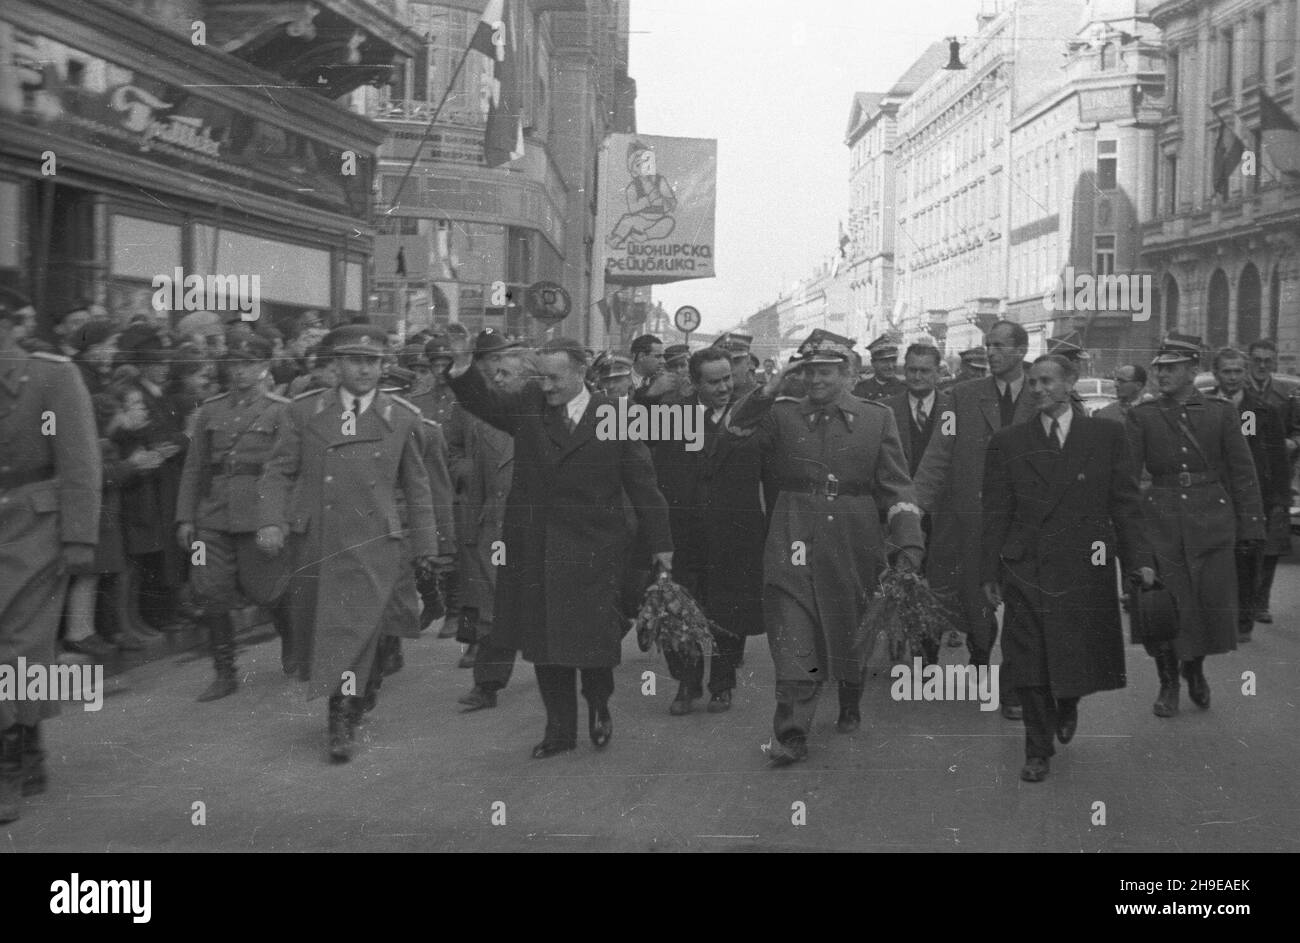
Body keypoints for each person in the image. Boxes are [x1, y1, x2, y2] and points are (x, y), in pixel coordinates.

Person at [447, 337, 673, 759]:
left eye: (554, 378)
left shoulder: (616, 415)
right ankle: (559, 731)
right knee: (546, 643)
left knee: (593, 641)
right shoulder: (530, 406)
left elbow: (643, 484)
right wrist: (462, 371)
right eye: (541, 377)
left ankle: (599, 704)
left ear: (579, 374)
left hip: (596, 549)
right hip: (536, 547)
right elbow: (485, 404)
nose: (546, 386)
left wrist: (662, 545)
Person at [728, 333, 924, 766]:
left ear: (849, 374)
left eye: (826, 371)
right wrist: (772, 387)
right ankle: (791, 733)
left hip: (853, 536)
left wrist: (908, 540)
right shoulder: (781, 416)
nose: (816, 379)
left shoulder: (878, 419)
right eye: (810, 370)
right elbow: (735, 431)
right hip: (791, 529)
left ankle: (850, 694)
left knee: (848, 624)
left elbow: (897, 484)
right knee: (792, 631)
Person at [257, 325, 441, 762]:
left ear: (383, 366)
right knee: (335, 630)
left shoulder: (401, 417)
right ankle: (350, 702)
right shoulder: (304, 413)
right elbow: (279, 471)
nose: (364, 369)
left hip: (377, 542)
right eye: (355, 360)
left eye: (373, 361)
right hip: (319, 539)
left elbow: (417, 488)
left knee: (360, 629)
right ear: (336, 365)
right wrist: (270, 520)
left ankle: (342, 717)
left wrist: (428, 547)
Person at [982, 354, 1154, 783]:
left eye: (1047, 382)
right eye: (1033, 383)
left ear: (1071, 382)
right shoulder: (1009, 441)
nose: (1039, 390)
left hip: (1086, 562)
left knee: (1075, 650)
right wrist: (989, 572)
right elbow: (995, 513)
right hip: (1027, 566)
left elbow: (1126, 505)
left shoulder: (1106, 435)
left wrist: (1141, 563)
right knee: (1028, 657)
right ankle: (1037, 748)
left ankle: (1070, 701)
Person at [0, 287, 101, 824]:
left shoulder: (53, 376)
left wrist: (80, 539)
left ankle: (7, 767)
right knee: (19, 650)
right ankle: (28, 745)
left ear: (12, 326)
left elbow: (80, 461)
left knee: (17, 646)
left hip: (34, 528)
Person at [1126, 334, 1264, 718]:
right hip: (1162, 522)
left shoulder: (1220, 413)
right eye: (1159, 368)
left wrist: (1251, 524)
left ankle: (1196, 670)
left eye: (1171, 367)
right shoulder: (1143, 415)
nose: (1162, 374)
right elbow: (1128, 478)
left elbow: (1241, 472)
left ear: (1192, 369)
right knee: (1162, 608)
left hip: (1210, 521)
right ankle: (1168, 680)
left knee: (1202, 608)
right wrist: (1131, 531)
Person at [913, 320, 1036, 719]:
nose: (991, 353)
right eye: (988, 345)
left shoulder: (1043, 393)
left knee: (1024, 605)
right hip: (967, 517)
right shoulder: (959, 398)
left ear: (1021, 350)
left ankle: (1014, 685)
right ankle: (979, 659)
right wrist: (912, 509)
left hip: (1024, 523)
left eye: (1000, 346)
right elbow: (937, 455)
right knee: (963, 595)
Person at [176, 334, 294, 699]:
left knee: (267, 590)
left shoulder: (281, 410)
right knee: (210, 591)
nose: (241, 372)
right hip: (212, 515)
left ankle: (292, 640)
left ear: (264, 368)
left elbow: (289, 469)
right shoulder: (210, 410)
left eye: (250, 365)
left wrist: (280, 519)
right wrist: (185, 518)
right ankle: (224, 671)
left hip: (258, 514)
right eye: (235, 365)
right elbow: (194, 468)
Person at [649, 347, 765, 715]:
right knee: (681, 608)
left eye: (728, 378)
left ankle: (722, 684)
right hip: (684, 533)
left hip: (735, 533)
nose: (723, 387)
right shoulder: (672, 418)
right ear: (694, 383)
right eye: (713, 382)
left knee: (730, 610)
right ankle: (686, 683)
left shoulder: (749, 414)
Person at [452, 336, 530, 711]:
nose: (496, 379)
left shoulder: (546, 418)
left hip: (537, 527)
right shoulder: (484, 423)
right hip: (495, 527)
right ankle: (487, 684)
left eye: (506, 373)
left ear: (528, 380)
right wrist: (471, 530)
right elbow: (478, 483)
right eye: (494, 371)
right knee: (493, 609)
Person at [1204, 348, 1289, 643]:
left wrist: (1279, 499)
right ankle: (1215, 616)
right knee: (1213, 556)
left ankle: (1243, 620)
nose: (1232, 377)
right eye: (1226, 372)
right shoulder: (1202, 406)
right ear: (1216, 374)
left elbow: (1277, 460)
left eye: (1238, 371)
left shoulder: (1261, 411)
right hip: (1211, 493)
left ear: (1246, 373)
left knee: (1247, 557)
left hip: (1250, 495)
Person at [885, 343, 952, 665]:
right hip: (897, 512)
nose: (917, 376)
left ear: (938, 373)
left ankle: (927, 653)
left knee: (934, 582)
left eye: (925, 370)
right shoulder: (887, 409)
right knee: (899, 577)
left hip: (940, 513)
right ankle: (899, 643)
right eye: (911, 369)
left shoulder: (953, 410)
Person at [1244, 338, 1298, 624]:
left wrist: (1291, 442)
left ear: (1274, 362)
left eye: (1268, 361)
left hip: (1276, 479)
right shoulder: (1240, 391)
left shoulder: (1286, 394)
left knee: (1273, 545)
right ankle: (1243, 599)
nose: (1262, 366)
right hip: (1245, 478)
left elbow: (1297, 431)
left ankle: (1261, 601)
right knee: (1244, 541)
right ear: (1249, 361)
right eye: (1257, 360)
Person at [852, 335, 906, 401]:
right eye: (884, 361)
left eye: (893, 360)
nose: (890, 366)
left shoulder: (905, 389)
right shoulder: (860, 389)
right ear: (873, 363)